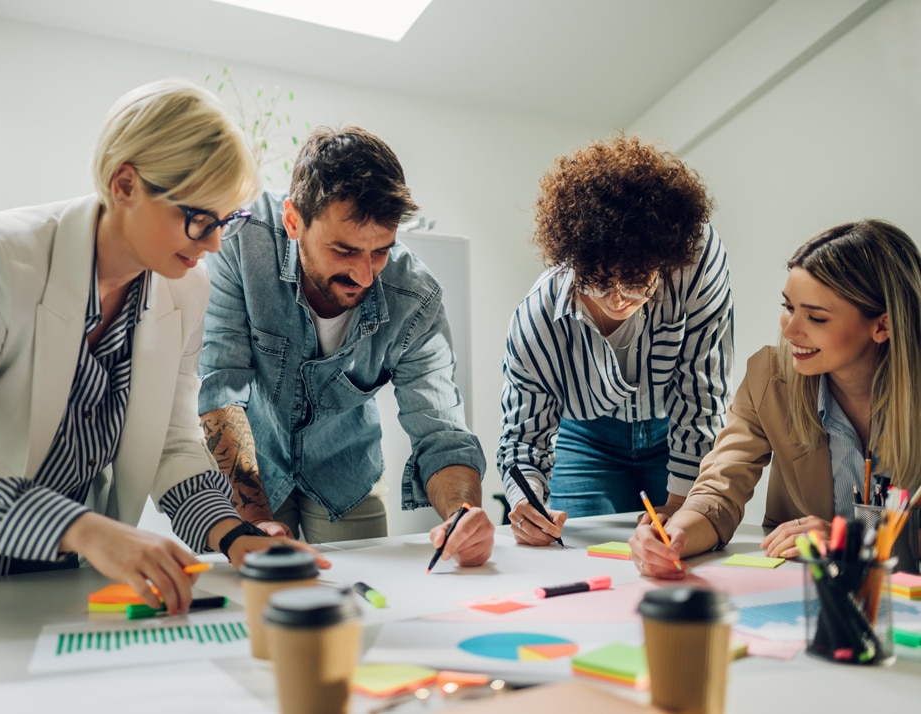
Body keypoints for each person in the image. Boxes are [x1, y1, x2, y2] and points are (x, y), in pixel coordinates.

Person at [0, 78, 327, 613]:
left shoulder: (187, 287)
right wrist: (85, 530)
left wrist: (231, 533)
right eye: (199, 219)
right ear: (125, 184)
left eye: (226, 222)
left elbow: (171, 444)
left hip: (68, 580)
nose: (211, 244)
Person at [198, 125, 494, 566]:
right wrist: (257, 521)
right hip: (249, 465)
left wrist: (463, 515)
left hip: (346, 472)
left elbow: (440, 431)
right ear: (294, 220)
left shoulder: (415, 297)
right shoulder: (241, 241)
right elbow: (222, 386)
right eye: (344, 251)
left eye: (380, 252)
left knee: (360, 594)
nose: (365, 276)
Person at [630, 219, 921, 579]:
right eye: (788, 307)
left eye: (815, 317)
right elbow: (719, 491)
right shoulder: (769, 375)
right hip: (797, 592)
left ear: (883, 326)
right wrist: (675, 536)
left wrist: (849, 545)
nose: (790, 329)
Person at [498, 133, 734, 545]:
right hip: (587, 437)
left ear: (663, 260)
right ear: (571, 260)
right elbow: (523, 438)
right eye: (600, 283)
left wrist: (682, 505)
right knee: (582, 551)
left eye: (638, 283)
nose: (620, 299)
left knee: (680, 551)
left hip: (676, 428)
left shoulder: (696, 264)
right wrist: (528, 503)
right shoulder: (537, 318)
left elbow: (701, 391)